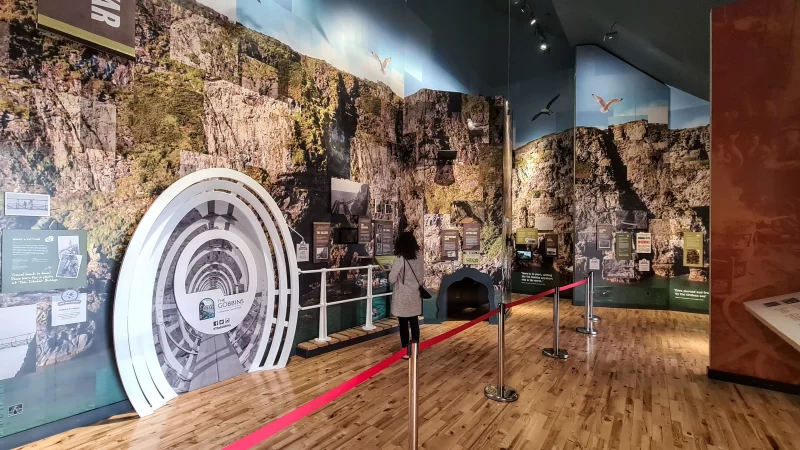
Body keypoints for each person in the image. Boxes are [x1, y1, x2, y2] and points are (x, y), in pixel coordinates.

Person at [388, 231, 424, 359]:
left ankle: (406, 351)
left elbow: (392, 279)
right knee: (414, 322)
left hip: (402, 296)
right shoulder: (419, 256)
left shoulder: (400, 259)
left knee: (403, 324)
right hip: (415, 294)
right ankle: (415, 350)